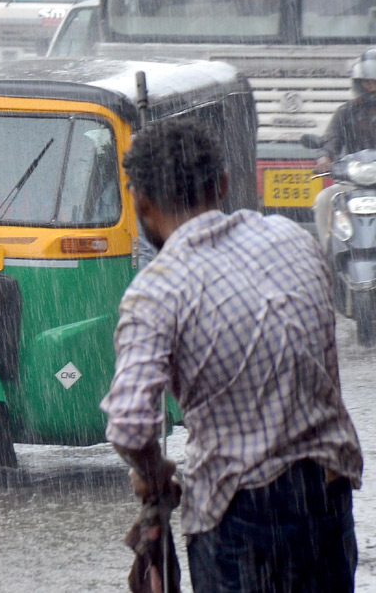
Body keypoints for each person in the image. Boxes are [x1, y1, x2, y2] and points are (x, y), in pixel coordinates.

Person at [102, 118, 362, 592]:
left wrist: (153, 472)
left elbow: (128, 423)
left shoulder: (156, 291)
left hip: (237, 518)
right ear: (222, 184)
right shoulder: (294, 241)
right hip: (325, 497)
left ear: (140, 204)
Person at [313, 48, 376, 249]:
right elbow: (331, 139)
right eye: (368, 82)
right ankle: (327, 256)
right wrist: (325, 158)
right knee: (324, 199)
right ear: (359, 84)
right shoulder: (345, 112)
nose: (373, 88)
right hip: (354, 182)